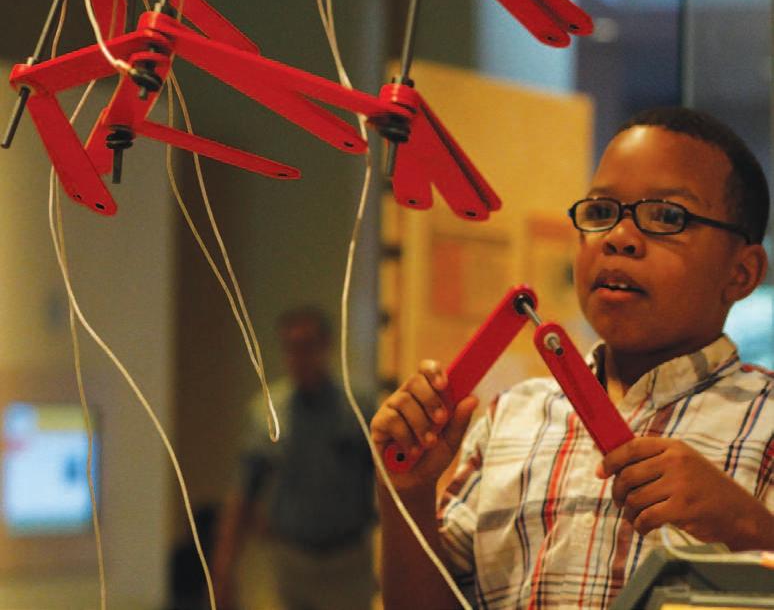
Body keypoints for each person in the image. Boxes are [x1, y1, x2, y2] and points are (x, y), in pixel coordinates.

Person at [371, 106, 774, 609]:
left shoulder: (766, 420)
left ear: (741, 272)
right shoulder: (512, 417)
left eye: (667, 217)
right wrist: (407, 492)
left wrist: (747, 525)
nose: (619, 237)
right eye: (602, 212)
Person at [212, 305, 376, 610]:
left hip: (348, 562)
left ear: (325, 346)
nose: (299, 357)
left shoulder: (358, 406)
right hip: (291, 560)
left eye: (307, 346)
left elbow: (385, 482)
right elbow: (243, 492)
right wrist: (224, 571)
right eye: (291, 347)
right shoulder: (266, 412)